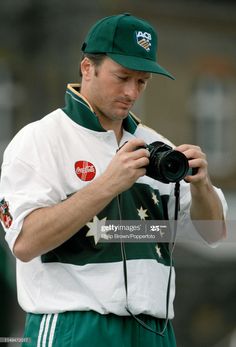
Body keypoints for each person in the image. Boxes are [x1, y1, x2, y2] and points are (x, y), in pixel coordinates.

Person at [0, 13, 227, 347]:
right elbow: (25, 243)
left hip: (156, 330)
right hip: (75, 325)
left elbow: (214, 234)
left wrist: (202, 185)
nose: (131, 92)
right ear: (87, 67)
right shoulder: (40, 139)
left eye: (142, 82)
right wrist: (108, 183)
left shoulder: (157, 146)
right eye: (122, 77)